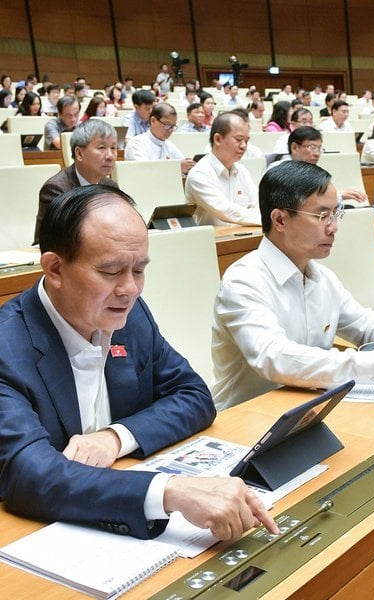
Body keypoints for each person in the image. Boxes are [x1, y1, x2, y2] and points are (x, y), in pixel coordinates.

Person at [0, 185, 278, 541]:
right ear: (55, 268)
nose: (130, 289)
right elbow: (30, 474)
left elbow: (194, 395)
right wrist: (170, 492)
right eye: (111, 271)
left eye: (139, 270)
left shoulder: (130, 316)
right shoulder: (8, 347)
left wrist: (114, 438)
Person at [211, 160, 374, 410]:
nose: (333, 228)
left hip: (305, 406)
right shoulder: (244, 281)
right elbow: (275, 357)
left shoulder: (322, 277)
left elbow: (363, 324)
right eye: (322, 216)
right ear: (279, 220)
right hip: (244, 415)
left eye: (336, 214)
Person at [35, 120, 120, 244]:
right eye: (101, 148)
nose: (110, 156)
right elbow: (62, 241)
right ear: (79, 153)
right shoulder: (56, 189)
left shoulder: (110, 186)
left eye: (113, 148)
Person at [185, 112, 260, 226]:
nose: (244, 146)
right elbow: (225, 211)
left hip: (245, 236)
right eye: (239, 139)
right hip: (212, 241)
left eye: (246, 141)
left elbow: (256, 206)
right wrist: (264, 221)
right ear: (218, 139)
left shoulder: (242, 171)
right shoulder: (200, 174)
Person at [269, 126, 367, 204]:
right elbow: (300, 203)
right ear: (294, 148)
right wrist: (340, 196)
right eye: (312, 147)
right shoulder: (277, 170)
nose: (317, 153)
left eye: (319, 148)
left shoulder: (311, 171)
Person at [124, 102, 195, 174]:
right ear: (153, 121)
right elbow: (145, 171)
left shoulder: (169, 144)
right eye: (167, 125)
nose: (170, 130)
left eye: (173, 126)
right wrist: (176, 167)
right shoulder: (136, 143)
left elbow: (182, 162)